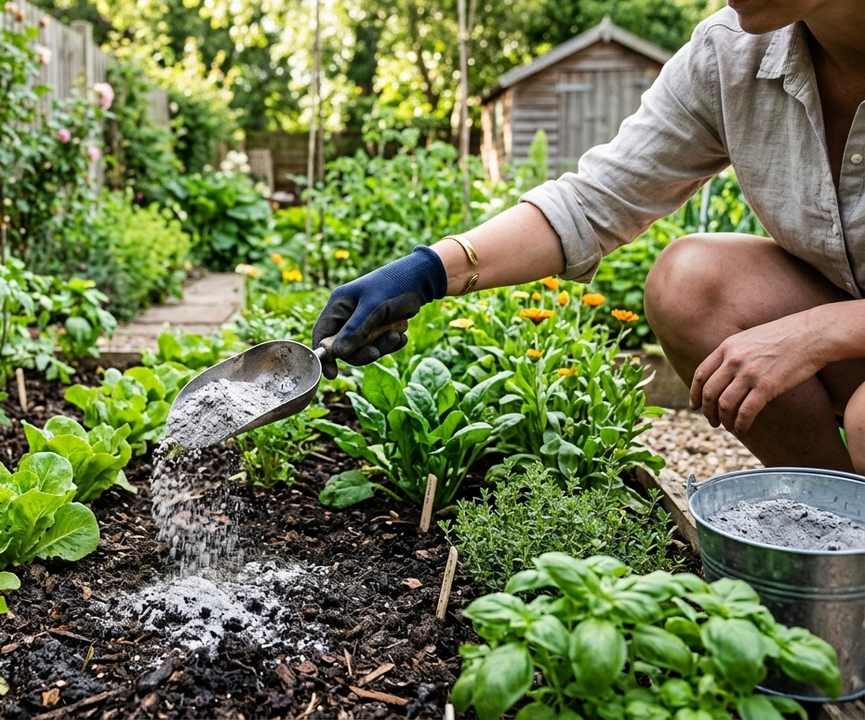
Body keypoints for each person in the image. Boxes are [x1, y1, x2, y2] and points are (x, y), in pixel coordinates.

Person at [312, 0, 865, 472]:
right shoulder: (730, 55)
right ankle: (834, 531)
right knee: (692, 282)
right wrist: (426, 272)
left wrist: (816, 334)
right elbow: (596, 200)